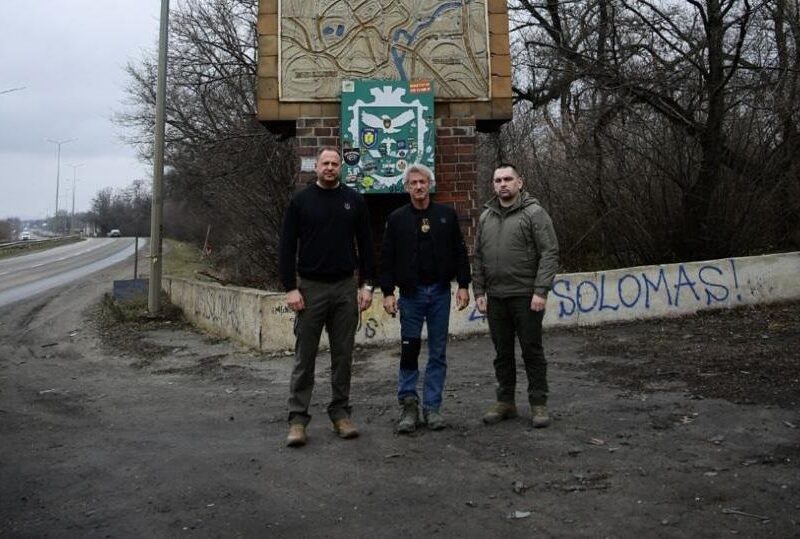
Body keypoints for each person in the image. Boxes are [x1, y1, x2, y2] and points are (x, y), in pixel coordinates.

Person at [278, 146, 375, 447]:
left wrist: (367, 285)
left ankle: (340, 414)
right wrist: (290, 287)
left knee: (343, 356)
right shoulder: (300, 201)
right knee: (304, 357)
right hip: (310, 288)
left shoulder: (354, 201)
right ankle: (297, 420)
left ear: (340, 168)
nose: (330, 168)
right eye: (325, 163)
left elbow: (367, 245)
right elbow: (285, 247)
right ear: (316, 167)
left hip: (346, 287)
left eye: (335, 163)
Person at [380, 163, 470, 433]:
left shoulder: (446, 215)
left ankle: (432, 408)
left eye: (422, 182)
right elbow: (387, 258)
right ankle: (409, 405)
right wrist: (387, 292)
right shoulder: (396, 219)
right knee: (410, 350)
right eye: (413, 183)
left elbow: (460, 251)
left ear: (429, 184)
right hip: (411, 295)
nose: (418, 187)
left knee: (438, 352)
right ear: (406, 187)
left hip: (440, 292)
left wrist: (463, 285)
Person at [472, 163, 559, 428]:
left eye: (508, 179)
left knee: (532, 351)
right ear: (493, 185)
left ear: (519, 182)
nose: (503, 184)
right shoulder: (486, 217)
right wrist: (479, 291)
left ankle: (539, 404)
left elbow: (549, 253)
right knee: (502, 353)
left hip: (526, 296)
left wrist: (540, 291)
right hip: (496, 298)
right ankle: (505, 401)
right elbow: (478, 257)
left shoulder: (534, 213)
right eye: (498, 180)